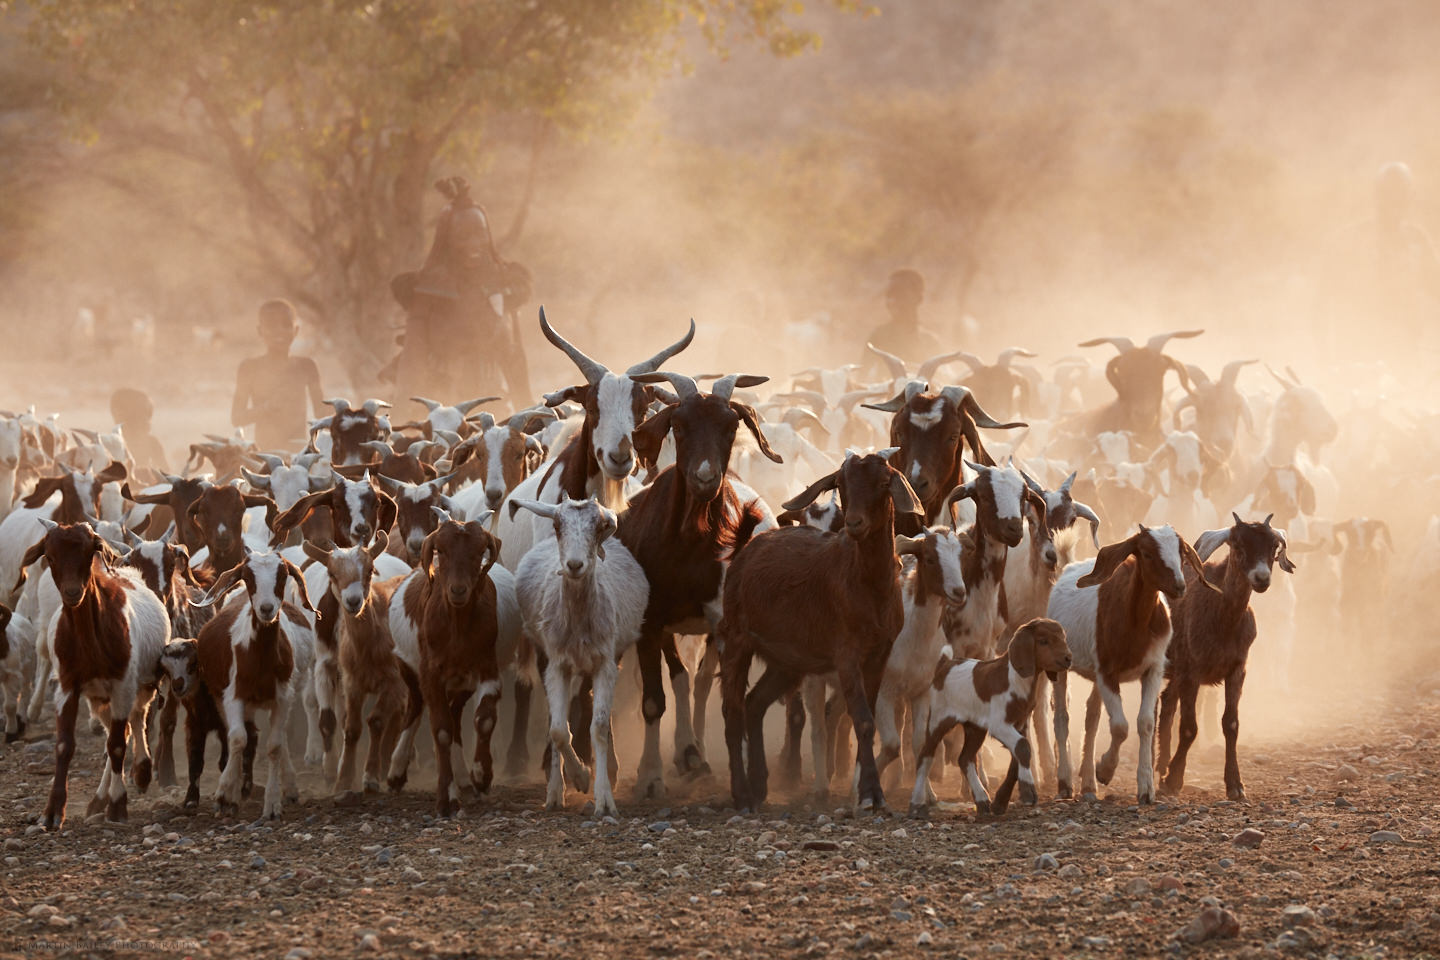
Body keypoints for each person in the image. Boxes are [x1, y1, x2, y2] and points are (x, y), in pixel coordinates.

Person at [387, 176, 532, 411]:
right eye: (463, 236)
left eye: (480, 233)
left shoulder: (502, 283)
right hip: (440, 408)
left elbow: (514, 358)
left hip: (492, 402)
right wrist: (403, 417)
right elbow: (412, 359)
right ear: (447, 239)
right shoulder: (427, 290)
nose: (474, 243)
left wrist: (528, 410)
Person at [231, 299, 324, 451]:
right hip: (264, 454)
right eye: (271, 325)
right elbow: (236, 418)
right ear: (260, 331)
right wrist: (267, 407)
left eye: (286, 325)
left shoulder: (307, 366)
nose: (279, 331)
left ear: (296, 330)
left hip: (299, 454)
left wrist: (347, 414)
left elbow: (322, 413)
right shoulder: (249, 368)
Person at [862, 269, 944, 376]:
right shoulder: (878, 338)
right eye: (888, 295)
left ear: (919, 298)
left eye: (899, 294)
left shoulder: (930, 342)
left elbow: (941, 383)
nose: (891, 301)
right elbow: (861, 381)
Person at [109, 387, 168, 473]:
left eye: (148, 415)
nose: (148, 420)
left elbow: (167, 474)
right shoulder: (110, 445)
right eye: (144, 414)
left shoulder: (152, 443)